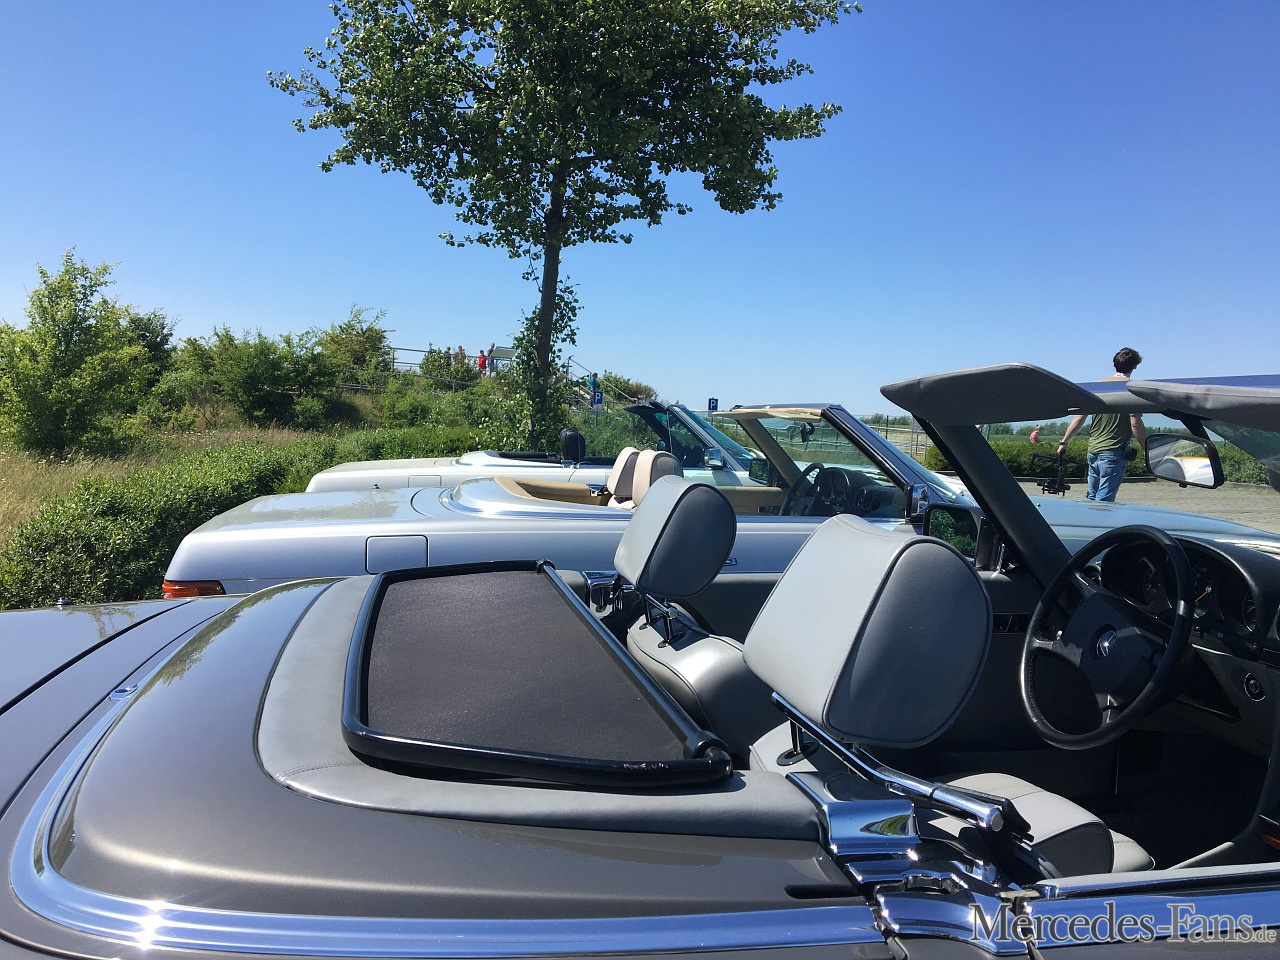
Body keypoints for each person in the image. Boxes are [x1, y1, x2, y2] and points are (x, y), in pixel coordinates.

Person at [1056, 347, 1148, 502]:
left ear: (1114, 364)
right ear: (1135, 366)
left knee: (1091, 496)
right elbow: (1135, 423)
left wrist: (1064, 442)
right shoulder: (1131, 389)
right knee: (1104, 500)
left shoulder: (1098, 386)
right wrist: (1147, 449)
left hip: (1093, 450)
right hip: (1113, 451)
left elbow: (1079, 418)